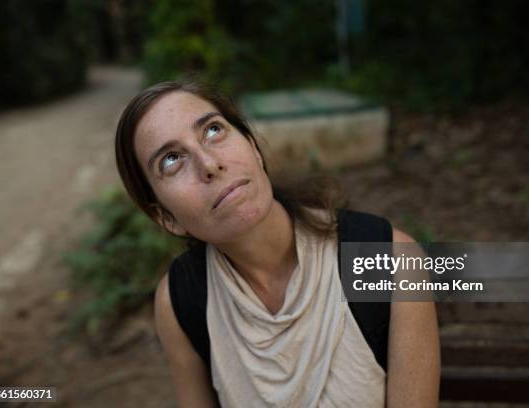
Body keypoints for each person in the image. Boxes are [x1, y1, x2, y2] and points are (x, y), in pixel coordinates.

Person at [114, 78, 440, 407]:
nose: (210, 164)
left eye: (213, 130)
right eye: (171, 160)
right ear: (167, 218)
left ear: (253, 148)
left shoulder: (392, 260)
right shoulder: (179, 301)